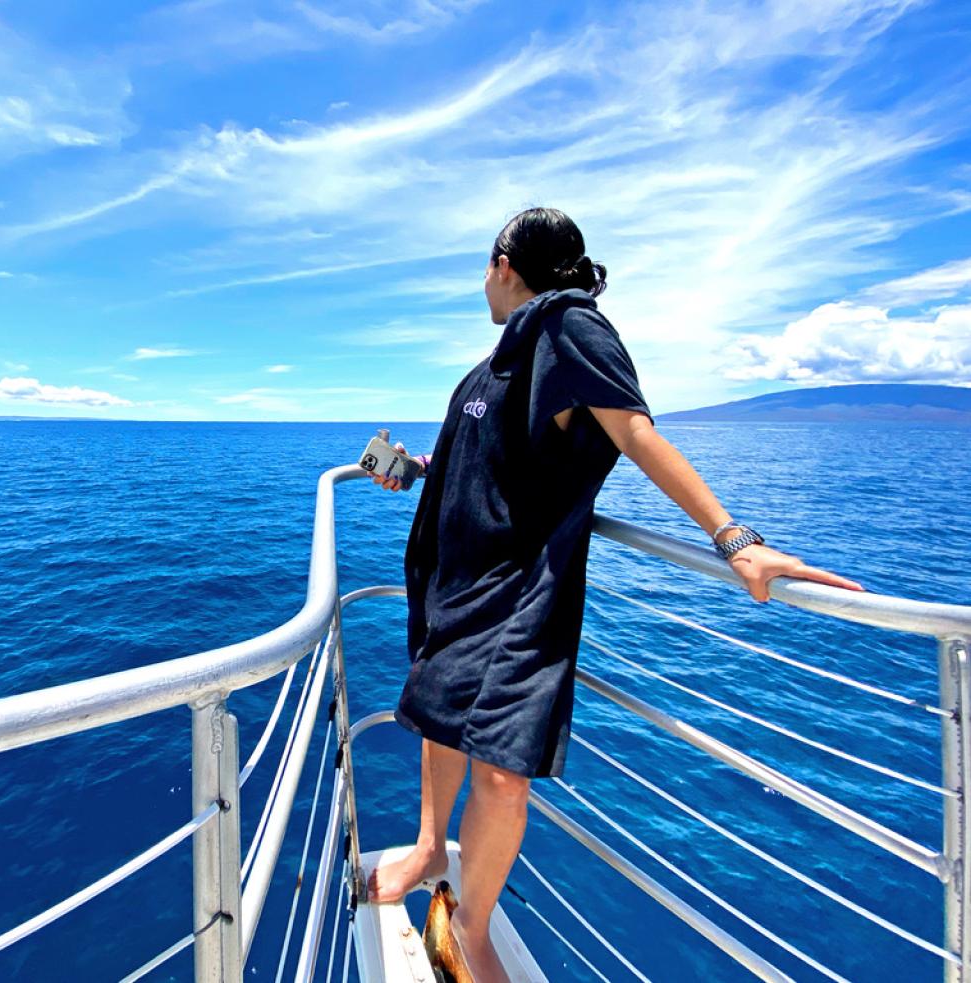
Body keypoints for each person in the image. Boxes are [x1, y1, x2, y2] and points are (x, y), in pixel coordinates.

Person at [367, 207, 864, 983]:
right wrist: (418, 468)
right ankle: (432, 847)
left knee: (501, 768)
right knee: (440, 718)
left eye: (484, 269)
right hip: (455, 587)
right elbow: (491, 448)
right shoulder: (499, 358)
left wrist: (737, 542)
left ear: (505, 263)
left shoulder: (570, 328)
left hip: (517, 593)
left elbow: (635, 432)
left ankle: (472, 922)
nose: (482, 284)